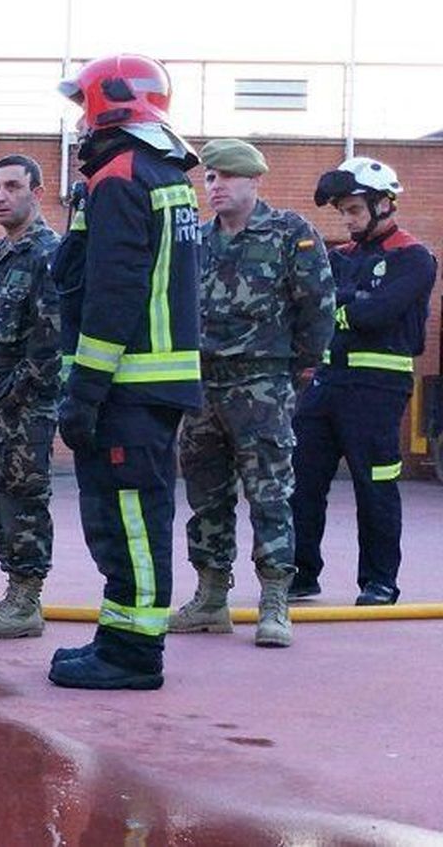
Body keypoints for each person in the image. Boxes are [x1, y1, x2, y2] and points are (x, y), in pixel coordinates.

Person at [49, 54, 203, 690]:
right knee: (137, 517)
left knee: (130, 521)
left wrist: (83, 392)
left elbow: (111, 294)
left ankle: (134, 655)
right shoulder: (163, 173)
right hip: (150, 385)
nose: (79, 124)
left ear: (107, 104)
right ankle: (120, 637)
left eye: (82, 108)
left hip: (126, 387)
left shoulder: (119, 177)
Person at [168, 140, 334, 645]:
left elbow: (318, 307)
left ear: (253, 181)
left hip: (262, 385)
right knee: (206, 496)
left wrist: (299, 369)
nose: (214, 186)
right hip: (202, 387)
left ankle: (275, 601)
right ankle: (211, 596)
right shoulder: (195, 238)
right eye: (210, 178)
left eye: (224, 177)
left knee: (270, 494)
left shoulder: (290, 234)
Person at [290, 157, 436, 606]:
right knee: (303, 480)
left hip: (378, 389)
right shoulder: (339, 257)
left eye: (354, 210)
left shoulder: (415, 257)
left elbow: (378, 313)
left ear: (384, 204)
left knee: (375, 486)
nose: (347, 220)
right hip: (327, 383)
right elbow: (315, 306)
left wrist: (346, 306)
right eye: (343, 212)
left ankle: (379, 582)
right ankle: (301, 574)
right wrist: (352, 305)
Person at [0, 154, 62, 640]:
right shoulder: (2, 253)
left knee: (25, 497)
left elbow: (50, 344)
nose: (1, 197)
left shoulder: (48, 254)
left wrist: (14, 392)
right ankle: (13, 590)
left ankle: (28, 599)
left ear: (37, 194)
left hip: (24, 404)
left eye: (12, 187)